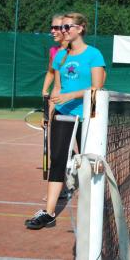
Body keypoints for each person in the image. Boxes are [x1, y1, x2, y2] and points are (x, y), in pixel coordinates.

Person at [25, 12, 106, 230]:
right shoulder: (60, 56)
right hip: (63, 114)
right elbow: (58, 88)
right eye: (62, 28)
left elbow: (97, 88)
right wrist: (49, 112)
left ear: (80, 28)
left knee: (91, 164)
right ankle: (49, 213)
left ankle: (95, 212)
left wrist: (71, 96)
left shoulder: (94, 55)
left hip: (89, 116)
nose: (63, 31)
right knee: (58, 161)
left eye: (67, 27)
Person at [41, 14, 69, 201]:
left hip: (81, 108)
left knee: (84, 153)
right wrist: (45, 94)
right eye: (51, 27)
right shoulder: (54, 51)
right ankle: (61, 189)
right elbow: (52, 73)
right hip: (61, 105)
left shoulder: (81, 51)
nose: (52, 31)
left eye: (56, 28)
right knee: (58, 154)